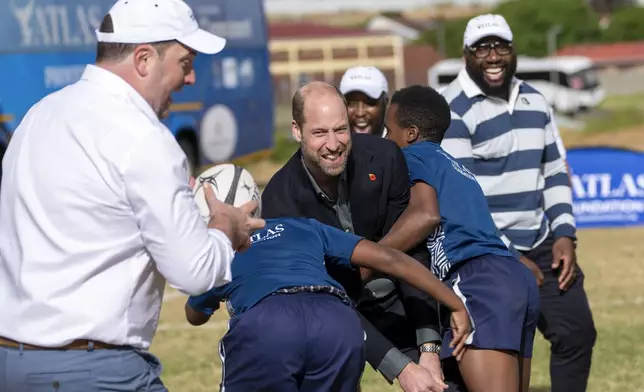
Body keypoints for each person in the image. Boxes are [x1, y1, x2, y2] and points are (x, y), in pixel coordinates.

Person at [0, 0, 265, 390]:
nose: (190, 79)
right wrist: (227, 228)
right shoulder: (145, 139)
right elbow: (194, 273)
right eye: (185, 63)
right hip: (92, 369)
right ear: (144, 60)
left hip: (12, 362)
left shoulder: (40, 114)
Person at [440, 14, 597, 392]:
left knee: (576, 333)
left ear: (513, 52)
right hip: (484, 251)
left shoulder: (535, 99)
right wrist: (509, 254)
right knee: (491, 355)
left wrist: (564, 234)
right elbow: (463, 197)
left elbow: (555, 171)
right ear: (466, 56)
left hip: (541, 243)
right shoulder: (452, 108)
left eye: (501, 47)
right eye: (482, 48)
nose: (493, 56)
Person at [261, 81, 447, 392]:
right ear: (297, 131)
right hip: (328, 312)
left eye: (341, 129)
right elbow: (322, 296)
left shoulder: (385, 157)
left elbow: (411, 252)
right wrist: (400, 368)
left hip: (393, 296)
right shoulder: (280, 202)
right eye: (320, 133)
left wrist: (429, 348)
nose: (333, 144)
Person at [185, 217, 472, 392]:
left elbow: (194, 314)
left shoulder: (223, 250)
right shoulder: (301, 226)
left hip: (269, 320)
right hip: (336, 318)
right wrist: (455, 303)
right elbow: (390, 259)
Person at [380, 84, 540, 392]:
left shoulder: (410, 157)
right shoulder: (457, 168)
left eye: (389, 130)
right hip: (511, 278)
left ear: (410, 134)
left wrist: (367, 257)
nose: (386, 139)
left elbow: (424, 216)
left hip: (477, 280)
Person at [339, 66, 389, 137]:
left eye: (369, 102)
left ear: (386, 103)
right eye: (351, 103)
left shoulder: (401, 146)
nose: (360, 113)